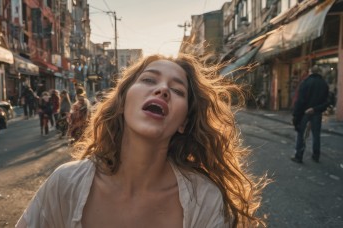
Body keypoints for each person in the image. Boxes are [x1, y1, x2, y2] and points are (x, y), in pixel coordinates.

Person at [16, 54, 267, 227]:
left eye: (177, 90)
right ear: (123, 101)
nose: (162, 90)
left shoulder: (205, 200)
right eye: (149, 80)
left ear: (184, 123)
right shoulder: (65, 184)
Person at [291, 65, 329, 163]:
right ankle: (316, 155)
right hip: (316, 112)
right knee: (316, 135)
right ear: (319, 72)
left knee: (301, 134)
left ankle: (299, 156)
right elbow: (327, 102)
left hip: (305, 112)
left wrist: (296, 115)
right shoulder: (324, 84)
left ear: (310, 72)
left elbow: (300, 100)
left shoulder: (306, 82)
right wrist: (315, 109)